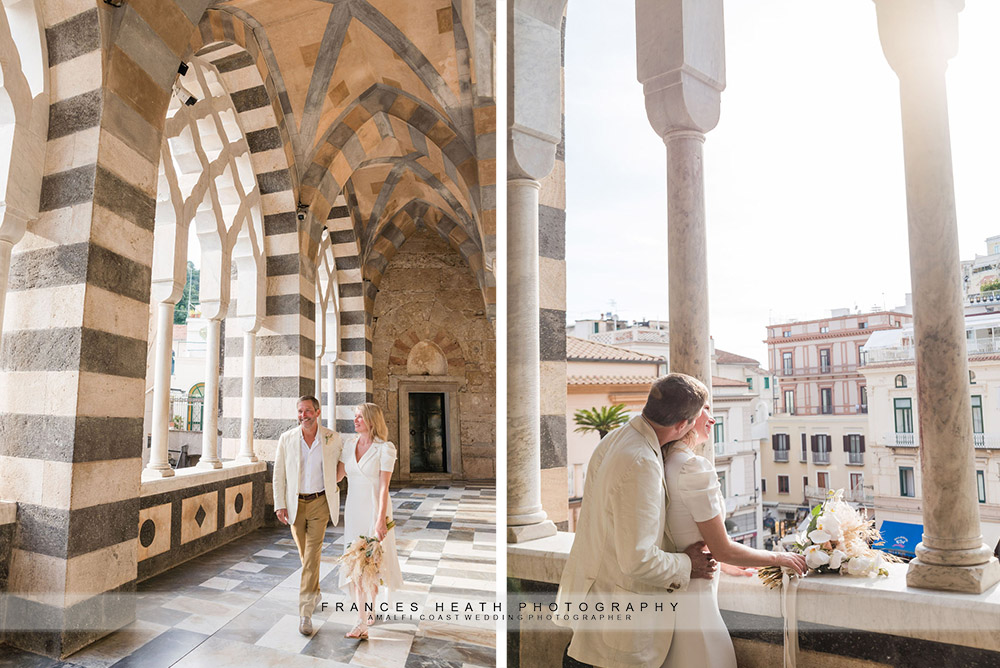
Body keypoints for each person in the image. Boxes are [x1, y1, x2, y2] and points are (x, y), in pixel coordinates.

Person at [556, 373, 721, 668]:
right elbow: (637, 560)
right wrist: (689, 564)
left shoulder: (618, 438)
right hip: (613, 640)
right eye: (702, 412)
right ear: (681, 425)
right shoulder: (641, 462)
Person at [661, 400, 807, 667]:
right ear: (686, 416)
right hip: (696, 604)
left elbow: (683, 533)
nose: (713, 419)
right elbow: (722, 548)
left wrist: (723, 563)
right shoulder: (693, 467)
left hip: (672, 604)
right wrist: (780, 559)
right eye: (706, 408)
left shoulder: (665, 463)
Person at [273, 395, 344, 636]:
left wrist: (336, 480)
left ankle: (305, 613)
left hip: (319, 503)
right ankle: (315, 590)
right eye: (300, 411)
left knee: (313, 555)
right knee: (306, 556)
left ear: (317, 412)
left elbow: (344, 462)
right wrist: (279, 504)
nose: (303, 415)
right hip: (295, 505)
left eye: (307, 411)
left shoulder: (332, 438)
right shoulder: (287, 439)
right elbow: (279, 474)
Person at [337, 402, 403, 640]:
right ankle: (366, 613)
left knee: (370, 564)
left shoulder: (385, 449)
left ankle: (361, 622)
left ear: (372, 421)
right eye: (355, 417)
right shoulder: (349, 445)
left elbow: (384, 487)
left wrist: (380, 520)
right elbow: (337, 475)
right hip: (353, 509)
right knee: (355, 565)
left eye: (360, 417)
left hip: (375, 509)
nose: (355, 421)